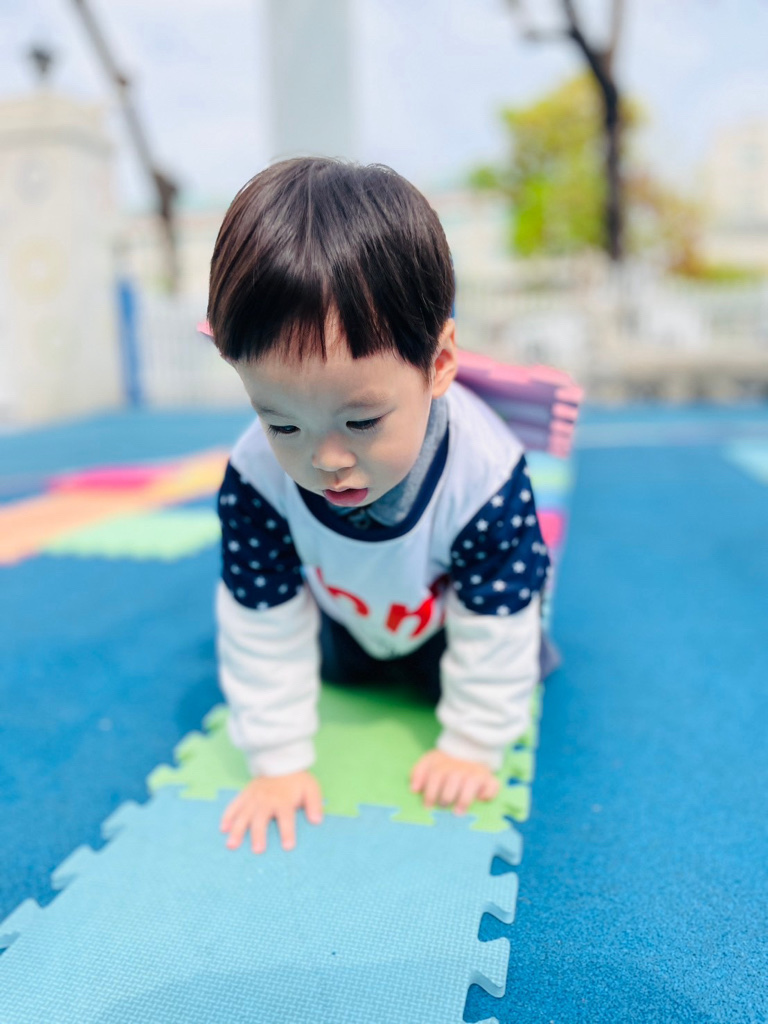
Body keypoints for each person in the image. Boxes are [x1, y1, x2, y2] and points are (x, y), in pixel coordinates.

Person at [208, 157, 552, 855]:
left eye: (361, 422)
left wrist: (474, 744)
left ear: (440, 363)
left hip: (448, 627)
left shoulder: (484, 475)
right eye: (282, 424)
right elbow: (260, 614)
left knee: (517, 647)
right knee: (328, 661)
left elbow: (496, 616)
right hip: (348, 622)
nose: (327, 459)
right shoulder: (255, 478)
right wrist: (277, 761)